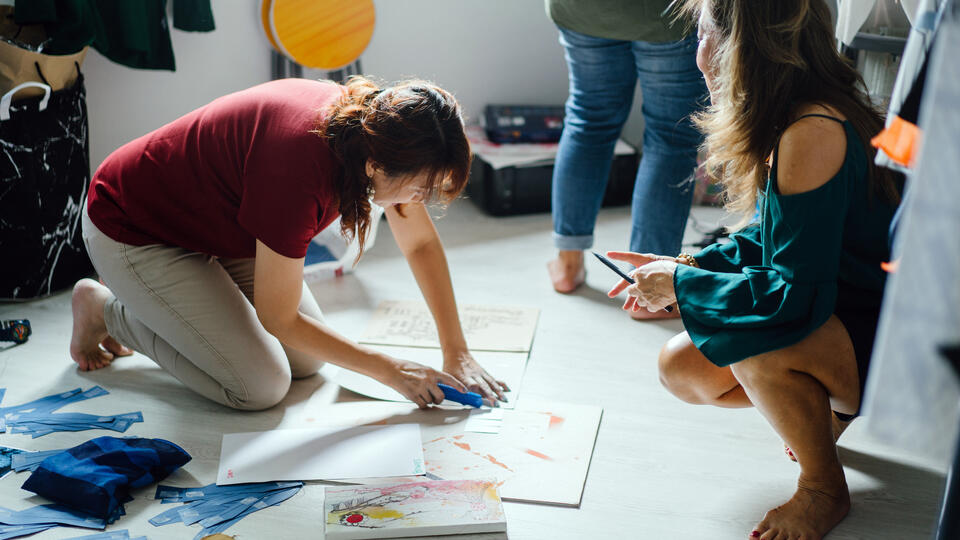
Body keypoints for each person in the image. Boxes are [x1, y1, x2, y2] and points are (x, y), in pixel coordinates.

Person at [606, 1, 902, 539]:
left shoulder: (812, 130)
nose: (697, 55)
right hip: (853, 313)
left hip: (891, 347)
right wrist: (688, 264)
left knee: (752, 341)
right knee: (682, 367)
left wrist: (679, 284)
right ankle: (827, 414)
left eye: (700, 36)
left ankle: (822, 487)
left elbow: (790, 299)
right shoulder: (800, 114)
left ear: (738, 47)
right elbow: (775, 240)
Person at [70, 76, 508, 411]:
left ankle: (177, 301)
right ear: (376, 165)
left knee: (307, 362)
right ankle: (105, 311)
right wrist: (390, 369)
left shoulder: (378, 132)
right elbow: (277, 317)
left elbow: (420, 247)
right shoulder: (300, 169)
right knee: (259, 387)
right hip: (136, 226)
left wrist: (457, 350)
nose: (420, 202)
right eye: (419, 190)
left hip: (220, 226)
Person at [544, 0, 707, 321]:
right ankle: (649, 291)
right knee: (670, 136)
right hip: (665, 14)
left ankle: (568, 263)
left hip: (582, 11)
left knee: (589, 119)